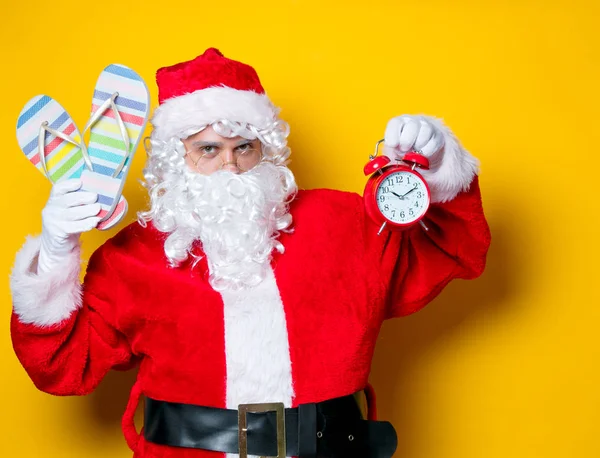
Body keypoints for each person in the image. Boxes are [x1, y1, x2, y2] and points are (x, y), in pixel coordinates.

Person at [9, 48, 491, 458]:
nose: (231, 166)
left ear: (268, 151)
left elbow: (451, 248)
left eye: (245, 147)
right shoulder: (131, 257)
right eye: (208, 149)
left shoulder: (344, 224)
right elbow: (63, 368)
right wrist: (55, 252)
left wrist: (435, 167)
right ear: (176, 160)